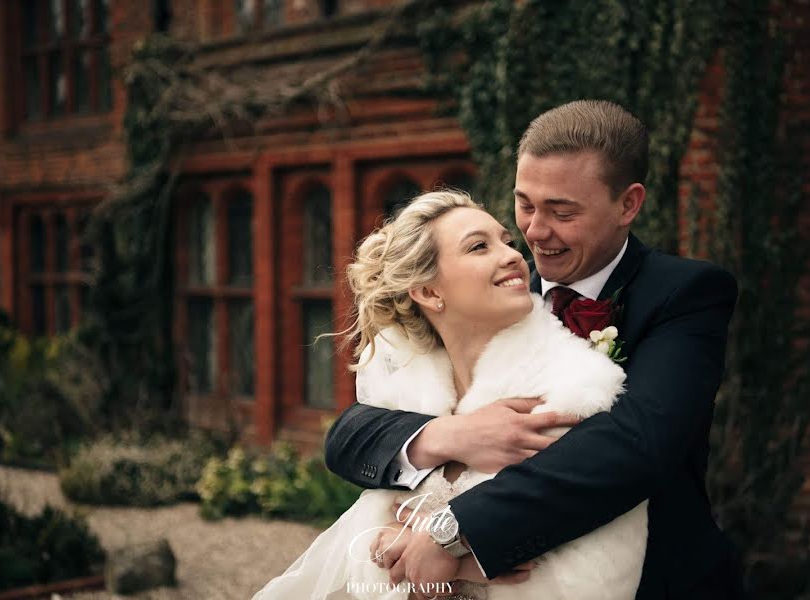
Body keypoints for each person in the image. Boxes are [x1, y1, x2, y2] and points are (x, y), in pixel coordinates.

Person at [325, 100, 744, 599]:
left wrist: (456, 533)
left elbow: (636, 444)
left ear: (628, 204)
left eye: (563, 212)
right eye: (525, 204)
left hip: (657, 582)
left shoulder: (686, 294)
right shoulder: (488, 288)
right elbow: (350, 437)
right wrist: (449, 435)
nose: (534, 234)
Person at [253, 190, 647, 600]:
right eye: (479, 246)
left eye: (505, 242)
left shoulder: (572, 386)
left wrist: (455, 560)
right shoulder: (404, 385)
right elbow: (353, 463)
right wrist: (394, 545)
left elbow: (603, 563)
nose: (514, 255)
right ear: (427, 292)